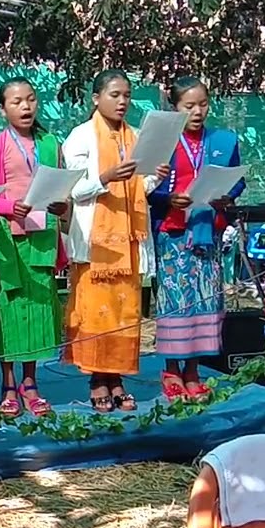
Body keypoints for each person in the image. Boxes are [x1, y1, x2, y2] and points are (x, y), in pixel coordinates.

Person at [63, 70, 169, 412]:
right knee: (97, 312)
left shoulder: (137, 137)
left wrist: (155, 176)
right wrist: (105, 177)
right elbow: (75, 190)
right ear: (96, 98)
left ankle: (118, 377)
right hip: (97, 242)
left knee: (125, 311)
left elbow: (140, 188)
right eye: (114, 94)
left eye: (126, 95)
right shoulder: (79, 138)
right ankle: (97, 379)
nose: (122, 101)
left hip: (128, 242)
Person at [148, 77, 245, 401]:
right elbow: (145, 186)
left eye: (203, 104)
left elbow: (236, 180)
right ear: (175, 107)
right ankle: (171, 369)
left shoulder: (223, 139)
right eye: (189, 105)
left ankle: (193, 370)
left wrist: (226, 197)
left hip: (208, 231)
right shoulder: (163, 140)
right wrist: (167, 197)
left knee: (204, 300)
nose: (198, 111)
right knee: (175, 302)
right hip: (173, 233)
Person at [0, 77, 70, 418]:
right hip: (7, 238)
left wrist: (61, 207)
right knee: (8, 310)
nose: (26, 107)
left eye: (31, 99)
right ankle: (7, 384)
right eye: (17, 101)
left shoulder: (50, 143)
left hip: (42, 238)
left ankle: (30, 383)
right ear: (3, 109)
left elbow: (61, 190)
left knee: (36, 310)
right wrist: (6, 208)